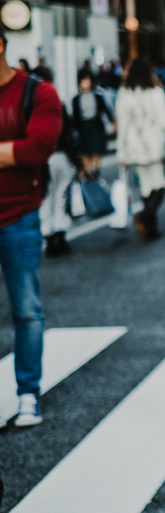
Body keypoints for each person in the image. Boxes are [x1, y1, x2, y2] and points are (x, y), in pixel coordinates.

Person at [0, 25, 63, 427]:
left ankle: (28, 394)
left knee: (26, 310)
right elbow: (18, 151)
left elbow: (37, 149)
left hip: (18, 214)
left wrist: (16, 154)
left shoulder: (37, 92)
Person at [116, 58, 165, 241]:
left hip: (134, 145)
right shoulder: (156, 91)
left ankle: (150, 224)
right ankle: (148, 216)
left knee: (146, 185)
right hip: (153, 141)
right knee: (160, 184)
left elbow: (122, 125)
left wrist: (121, 152)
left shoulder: (124, 93)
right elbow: (164, 121)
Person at [41, 104, 84, 257]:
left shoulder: (29, 105)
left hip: (42, 159)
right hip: (62, 156)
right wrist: (77, 161)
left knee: (46, 198)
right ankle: (61, 236)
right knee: (61, 198)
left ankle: (49, 235)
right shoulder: (58, 106)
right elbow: (69, 135)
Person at [72, 73, 115, 178]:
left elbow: (105, 110)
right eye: (83, 81)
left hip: (95, 125)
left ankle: (96, 171)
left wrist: (112, 121)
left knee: (96, 150)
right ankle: (87, 172)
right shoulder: (76, 99)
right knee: (85, 151)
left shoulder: (97, 96)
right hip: (83, 126)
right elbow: (75, 116)